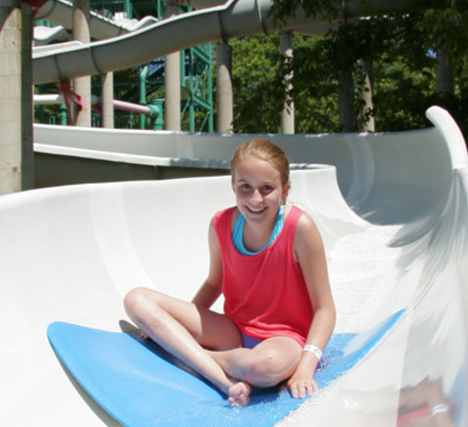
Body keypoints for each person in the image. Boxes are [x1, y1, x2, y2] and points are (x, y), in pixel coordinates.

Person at [124, 138, 336, 406]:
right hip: (232, 331)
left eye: (267, 188)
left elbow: (325, 309)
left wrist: (306, 367)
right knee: (136, 300)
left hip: (284, 339)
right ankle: (224, 380)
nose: (255, 199)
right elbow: (215, 282)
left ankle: (188, 356)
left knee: (263, 366)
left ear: (284, 190)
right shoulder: (221, 224)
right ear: (233, 186)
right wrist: (177, 325)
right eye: (245, 187)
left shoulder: (300, 229)